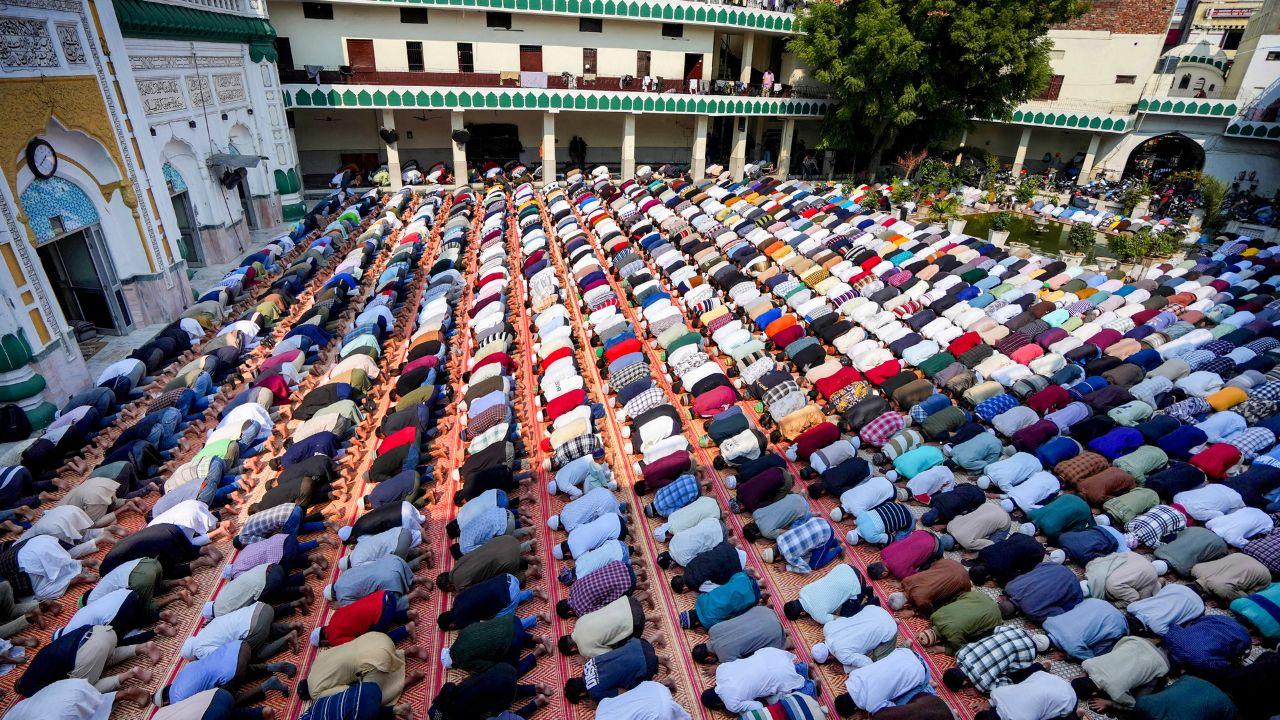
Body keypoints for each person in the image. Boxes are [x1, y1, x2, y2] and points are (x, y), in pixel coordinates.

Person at [699, 647, 814, 714]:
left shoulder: (731, 705)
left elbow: (759, 706)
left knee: (775, 703)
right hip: (770, 655)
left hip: (779, 675)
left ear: (717, 704)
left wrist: (741, 712)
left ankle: (812, 685)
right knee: (770, 674)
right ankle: (804, 667)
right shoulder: (720, 671)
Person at [942, 626, 1050, 693]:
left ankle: (1042, 667)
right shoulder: (960, 654)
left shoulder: (982, 684)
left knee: (1016, 677)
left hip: (1019, 655)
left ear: (965, 682)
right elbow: (997, 629)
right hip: (1009, 644)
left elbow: (1008, 683)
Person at [563, 638, 670, 704]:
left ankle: (666, 682)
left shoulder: (594, 692)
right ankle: (660, 657)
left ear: (581, 693)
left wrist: (599, 703)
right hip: (640, 643)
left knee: (633, 693)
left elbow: (623, 693)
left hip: (646, 666)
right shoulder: (587, 665)